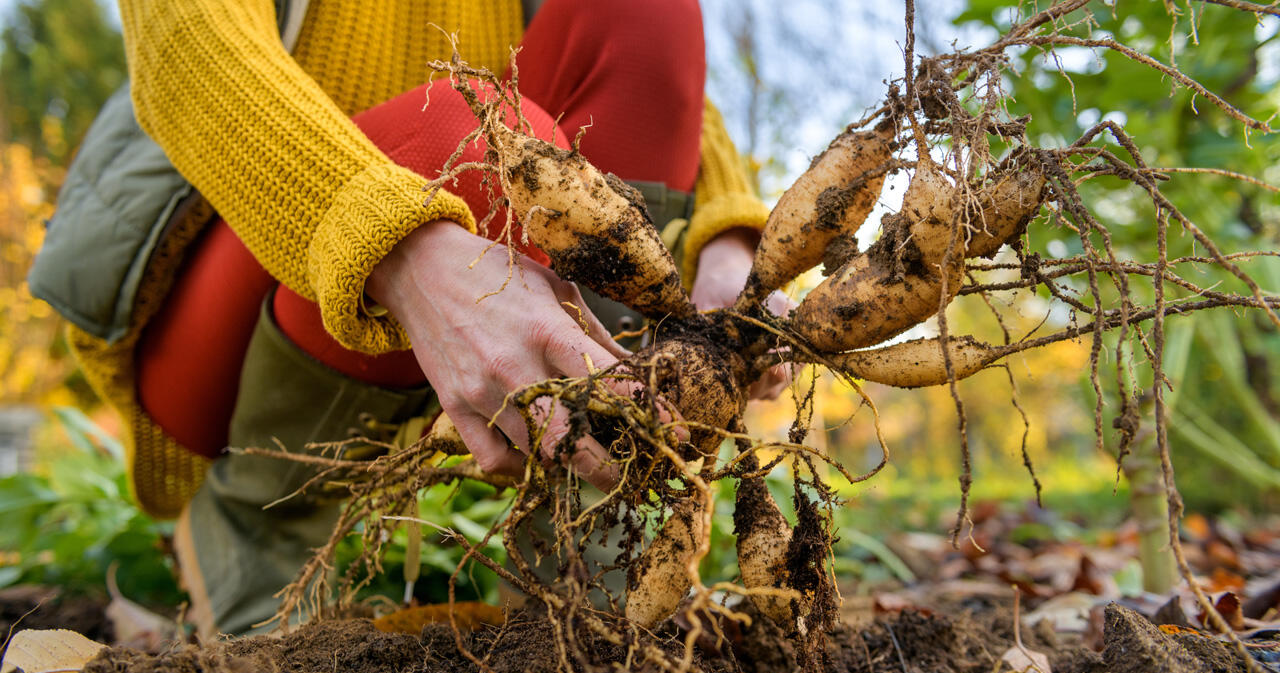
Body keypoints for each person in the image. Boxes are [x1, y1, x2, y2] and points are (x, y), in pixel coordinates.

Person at [60, 0, 786, 636]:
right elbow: (190, 48)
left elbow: (662, 86)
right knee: (462, 127)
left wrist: (724, 241)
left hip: (485, 260)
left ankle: (585, 537)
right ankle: (262, 517)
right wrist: (398, 246)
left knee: (644, 11)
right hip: (229, 296)